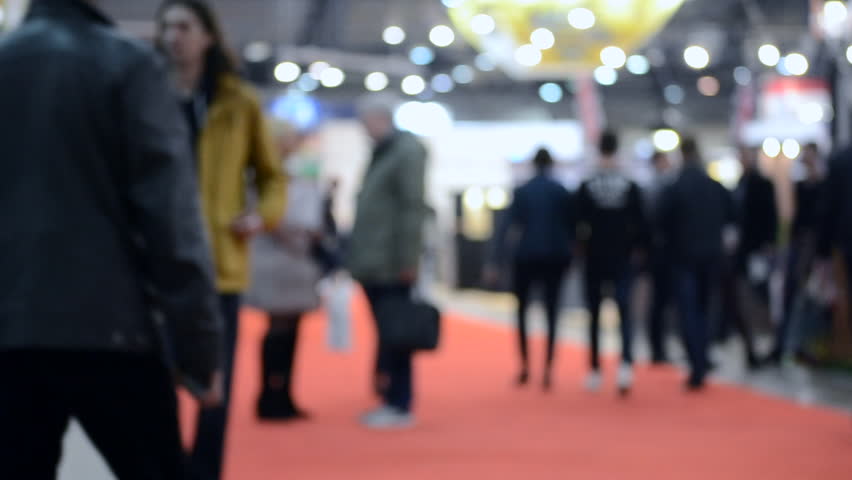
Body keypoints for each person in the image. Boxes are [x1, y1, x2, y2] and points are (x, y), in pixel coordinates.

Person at [0, 0, 223, 478]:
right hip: (112, 328)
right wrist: (199, 350)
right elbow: (171, 220)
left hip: (11, 330)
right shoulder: (128, 64)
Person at [156, 1, 287, 478]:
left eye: (184, 26)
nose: (173, 36)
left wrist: (260, 217)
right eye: (166, 27)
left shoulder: (238, 101)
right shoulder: (144, 92)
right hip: (157, 263)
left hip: (219, 264)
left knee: (216, 381)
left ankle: (206, 470)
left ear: (208, 35)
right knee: (156, 380)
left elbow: (273, 177)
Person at [347, 94, 428, 429]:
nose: (363, 129)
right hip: (375, 260)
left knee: (397, 334)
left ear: (380, 118)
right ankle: (390, 398)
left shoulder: (405, 152)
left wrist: (408, 259)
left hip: (391, 263)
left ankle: (399, 402)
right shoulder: (385, 151)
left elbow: (412, 208)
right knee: (387, 333)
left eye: (366, 121)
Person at [246, 121, 323, 422]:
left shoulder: (294, 172)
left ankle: (284, 394)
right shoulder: (262, 174)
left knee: (290, 330)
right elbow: (268, 217)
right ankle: (270, 395)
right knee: (277, 330)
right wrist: (295, 234)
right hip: (277, 260)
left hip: (296, 260)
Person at [485, 148, 574, 391]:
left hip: (525, 257)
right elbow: (572, 228)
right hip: (555, 258)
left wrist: (495, 261)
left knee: (522, 311)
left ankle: (525, 366)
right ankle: (548, 368)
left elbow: (506, 227)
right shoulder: (561, 191)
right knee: (552, 312)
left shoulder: (523, 190)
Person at [658, 138, 734, 390]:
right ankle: (702, 358)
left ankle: (697, 363)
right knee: (705, 308)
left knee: (688, 311)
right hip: (711, 256)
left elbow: (661, 222)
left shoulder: (676, 187)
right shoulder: (714, 186)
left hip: (684, 258)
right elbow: (732, 214)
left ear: (682, 154)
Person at [576, 131, 648, 395]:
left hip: (594, 257)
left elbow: (576, 221)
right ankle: (625, 365)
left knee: (594, 314)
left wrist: (581, 249)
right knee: (624, 312)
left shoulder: (588, 184)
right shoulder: (628, 185)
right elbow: (642, 223)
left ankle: (595, 368)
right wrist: (638, 251)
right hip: (622, 257)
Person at [766, 143, 825, 364]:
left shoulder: (823, 186)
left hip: (814, 248)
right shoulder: (801, 186)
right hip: (798, 245)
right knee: (789, 295)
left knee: (807, 298)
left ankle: (802, 344)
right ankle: (785, 344)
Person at [721, 146, 777, 368]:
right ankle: (751, 347)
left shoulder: (762, 184)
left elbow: (770, 218)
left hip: (757, 252)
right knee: (742, 301)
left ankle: (768, 346)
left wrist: (767, 246)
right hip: (741, 255)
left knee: (760, 300)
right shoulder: (739, 184)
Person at [643, 151, 675, 364]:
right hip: (660, 254)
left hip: (662, 253)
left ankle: (660, 347)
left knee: (662, 303)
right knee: (659, 303)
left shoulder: (659, 187)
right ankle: (657, 348)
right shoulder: (656, 188)